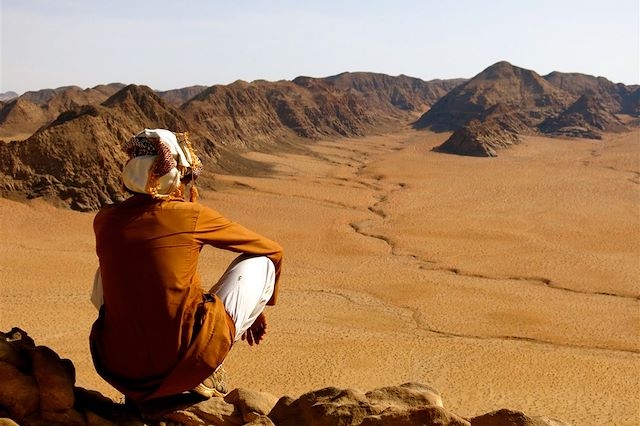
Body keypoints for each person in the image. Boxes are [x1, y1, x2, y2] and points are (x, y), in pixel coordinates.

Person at [89, 129, 283, 402]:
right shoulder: (189, 215)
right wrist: (257, 310)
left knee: (110, 269)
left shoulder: (104, 219)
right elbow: (273, 250)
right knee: (261, 263)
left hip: (119, 369)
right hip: (180, 364)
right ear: (170, 175)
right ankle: (204, 371)